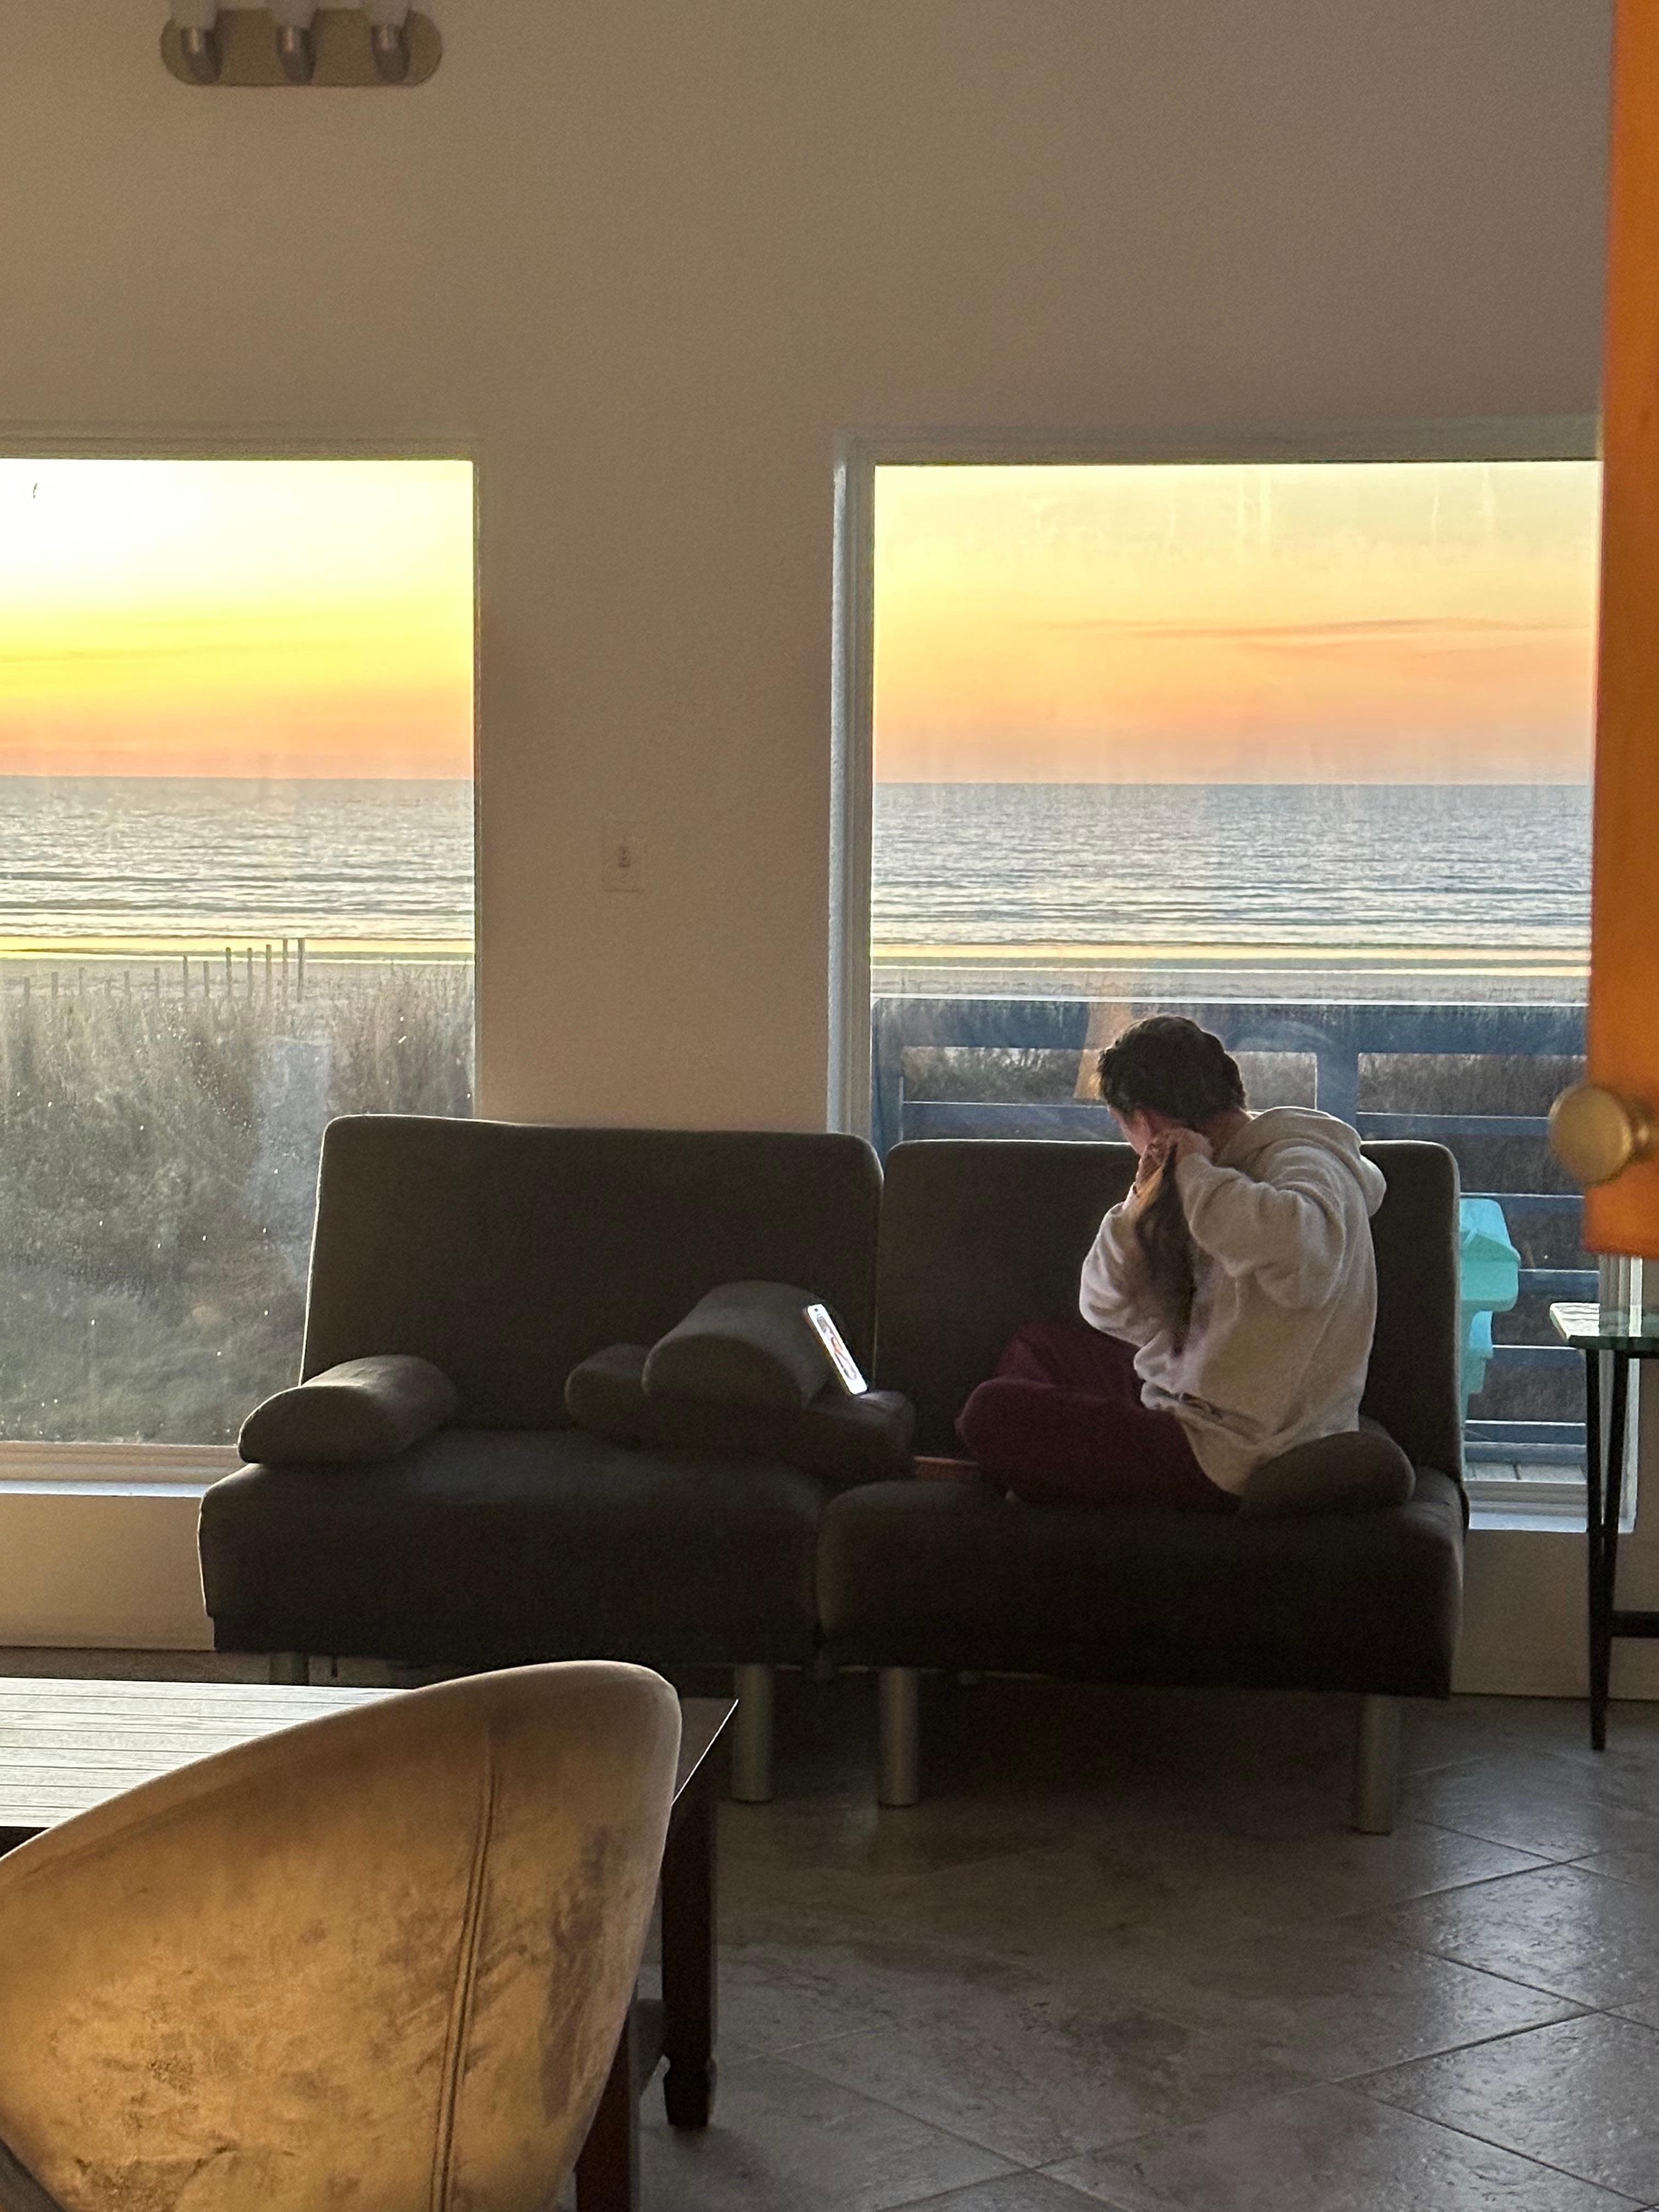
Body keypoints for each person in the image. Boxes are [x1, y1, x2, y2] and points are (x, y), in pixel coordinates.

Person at [956, 1014, 1387, 1509]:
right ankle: (1038, 1478)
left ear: (1146, 1121)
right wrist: (1142, 1201)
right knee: (1038, 1347)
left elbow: (1304, 1259)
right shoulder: (1198, 1169)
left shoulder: (1307, 1160)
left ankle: (1033, 1481)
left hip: (1239, 1450)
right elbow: (1107, 1309)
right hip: (1191, 1396)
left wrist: (1195, 1174)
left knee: (991, 1412)